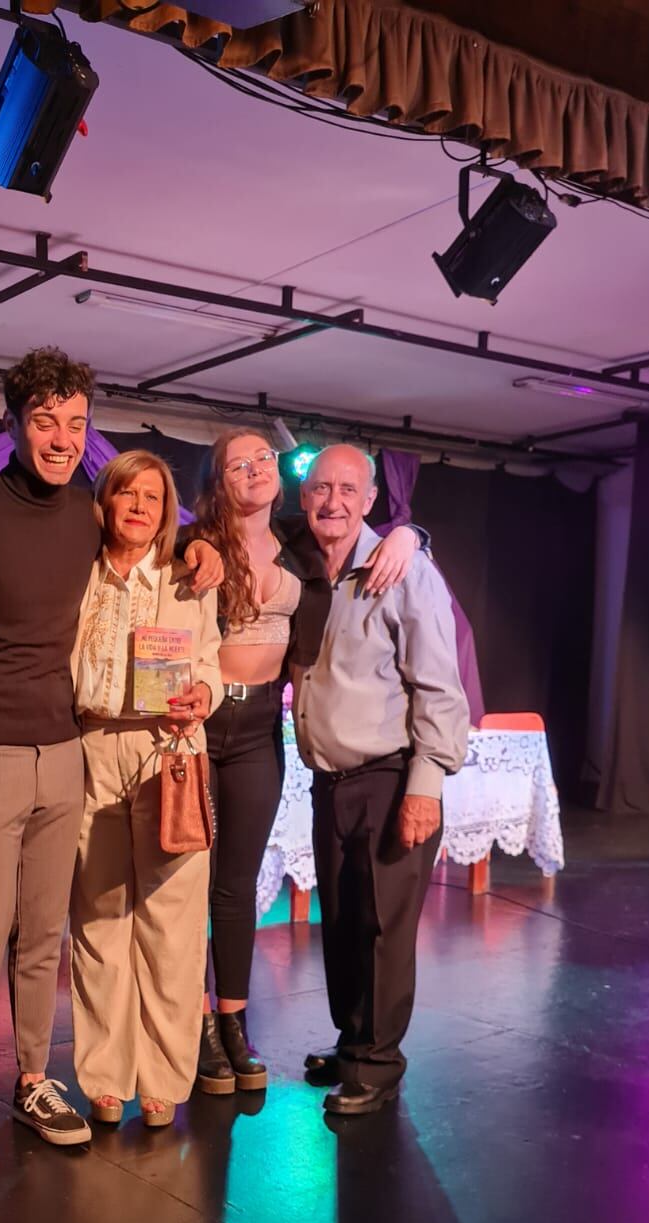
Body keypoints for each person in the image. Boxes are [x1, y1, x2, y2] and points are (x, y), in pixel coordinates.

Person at [0, 347, 223, 1164]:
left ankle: (33, 1076)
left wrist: (203, 545)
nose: (63, 438)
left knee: (43, 937)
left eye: (76, 423)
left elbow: (150, 540)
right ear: (14, 423)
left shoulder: (86, 515)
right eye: (46, 422)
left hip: (67, 751)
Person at [189, 429, 422, 1096]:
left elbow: (362, 527)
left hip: (261, 724)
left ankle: (232, 1021)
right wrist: (198, 545)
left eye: (266, 457)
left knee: (235, 886)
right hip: (199, 721)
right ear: (218, 480)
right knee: (182, 886)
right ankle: (194, 1023)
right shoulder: (193, 543)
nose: (259, 468)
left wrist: (413, 534)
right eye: (241, 462)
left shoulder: (298, 540)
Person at [292, 445, 468, 1115]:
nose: (332, 501)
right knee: (342, 921)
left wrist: (426, 784)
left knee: (383, 929)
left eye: (347, 489)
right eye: (319, 488)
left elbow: (441, 687)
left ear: (371, 500)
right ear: (303, 498)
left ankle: (378, 1061)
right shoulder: (305, 562)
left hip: (393, 778)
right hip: (330, 782)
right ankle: (353, 1039)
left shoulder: (404, 569)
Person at [68, 451, 223, 1128]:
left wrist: (204, 695)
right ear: (104, 502)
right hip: (92, 746)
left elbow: (213, 663)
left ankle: (162, 1078)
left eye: (152, 497)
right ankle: (104, 1076)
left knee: (172, 924)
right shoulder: (74, 574)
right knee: (99, 918)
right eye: (125, 493)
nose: (138, 506)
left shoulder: (189, 577)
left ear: (168, 513)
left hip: (171, 751)